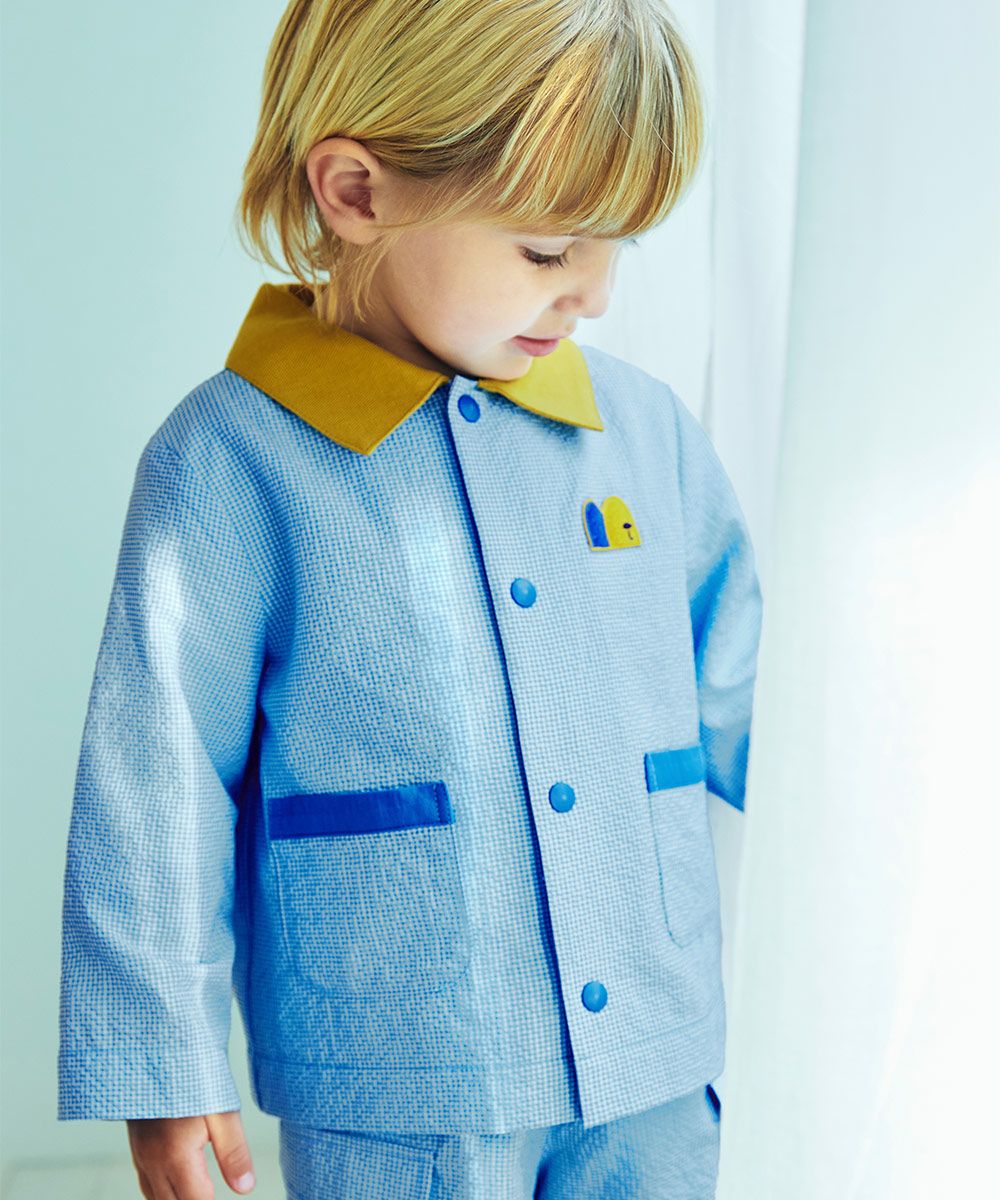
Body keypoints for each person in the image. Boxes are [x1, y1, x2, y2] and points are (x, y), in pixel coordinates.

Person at [57, 1, 764, 1197]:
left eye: (617, 247)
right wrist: (159, 1059)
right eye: (548, 250)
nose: (591, 295)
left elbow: (753, 691)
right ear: (356, 193)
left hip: (654, 1058)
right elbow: (154, 778)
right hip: (399, 1075)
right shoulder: (230, 460)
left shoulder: (645, 436)